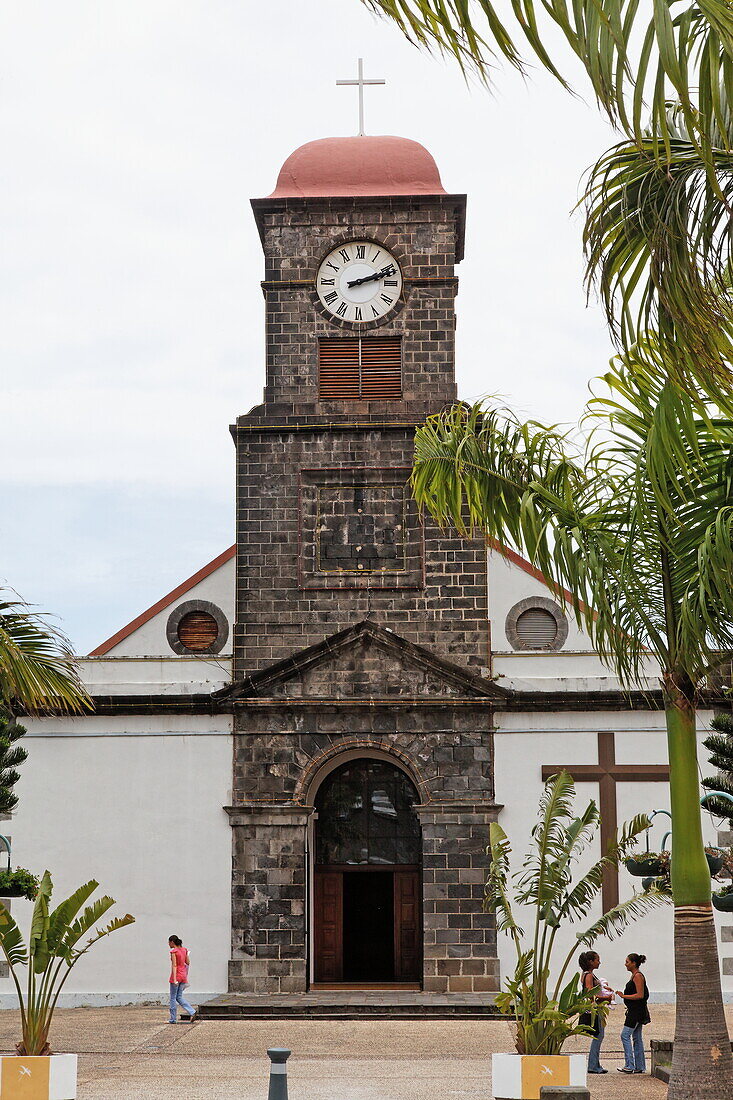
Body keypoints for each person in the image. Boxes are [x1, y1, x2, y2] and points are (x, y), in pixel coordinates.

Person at [578, 950, 613, 1074]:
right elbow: (589, 994)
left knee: (599, 1035)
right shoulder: (588, 975)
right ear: (591, 962)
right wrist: (606, 998)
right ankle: (593, 1065)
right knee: (598, 1036)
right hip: (595, 1009)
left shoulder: (588, 974)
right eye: (597, 960)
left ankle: (596, 1064)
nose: (599, 962)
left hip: (597, 1008)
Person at [615, 952, 650, 1073]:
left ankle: (629, 1065)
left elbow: (640, 995)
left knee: (625, 1035)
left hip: (636, 1012)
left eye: (627, 962)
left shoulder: (638, 976)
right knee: (636, 1037)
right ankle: (639, 1066)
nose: (625, 964)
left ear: (634, 963)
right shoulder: (634, 975)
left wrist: (624, 996)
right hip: (636, 1011)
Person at [168, 935, 196, 1023]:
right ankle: (192, 1011)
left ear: (172, 942)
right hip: (183, 975)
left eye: (169, 942)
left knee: (173, 998)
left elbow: (174, 965)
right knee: (179, 997)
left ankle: (173, 1019)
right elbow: (187, 962)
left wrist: (175, 979)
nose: (168, 944)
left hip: (177, 975)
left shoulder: (174, 952)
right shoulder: (184, 950)